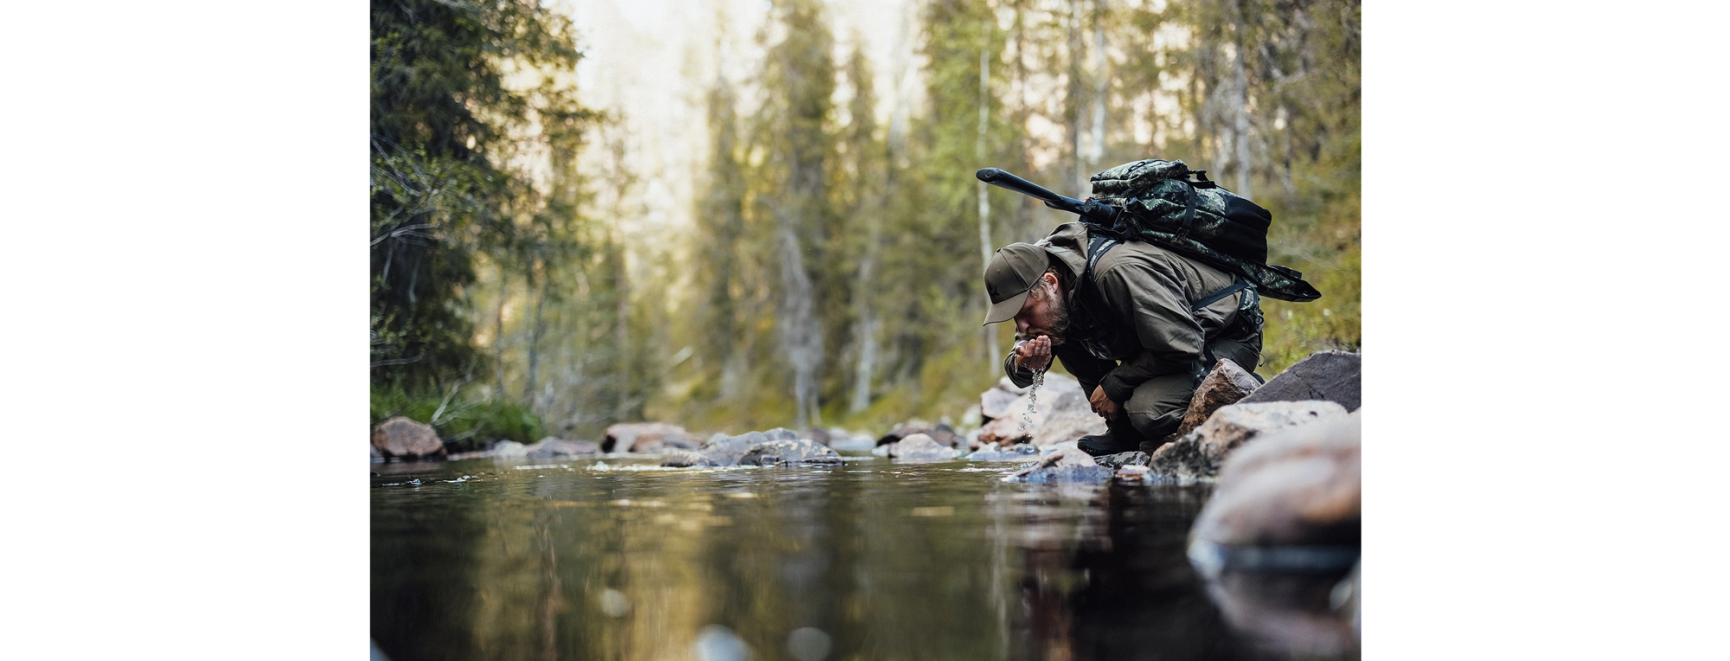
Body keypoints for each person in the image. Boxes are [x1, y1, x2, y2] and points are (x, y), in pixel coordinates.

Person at [982, 221, 1264, 456]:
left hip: (1225, 334)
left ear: (1051, 283)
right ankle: (1124, 431)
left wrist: (1115, 385)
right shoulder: (1043, 293)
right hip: (1163, 341)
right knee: (1057, 332)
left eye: (1025, 312)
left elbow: (1183, 344)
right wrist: (1026, 363)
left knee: (1148, 413)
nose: (1022, 325)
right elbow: (1018, 370)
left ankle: (1247, 391)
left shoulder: (1115, 270)